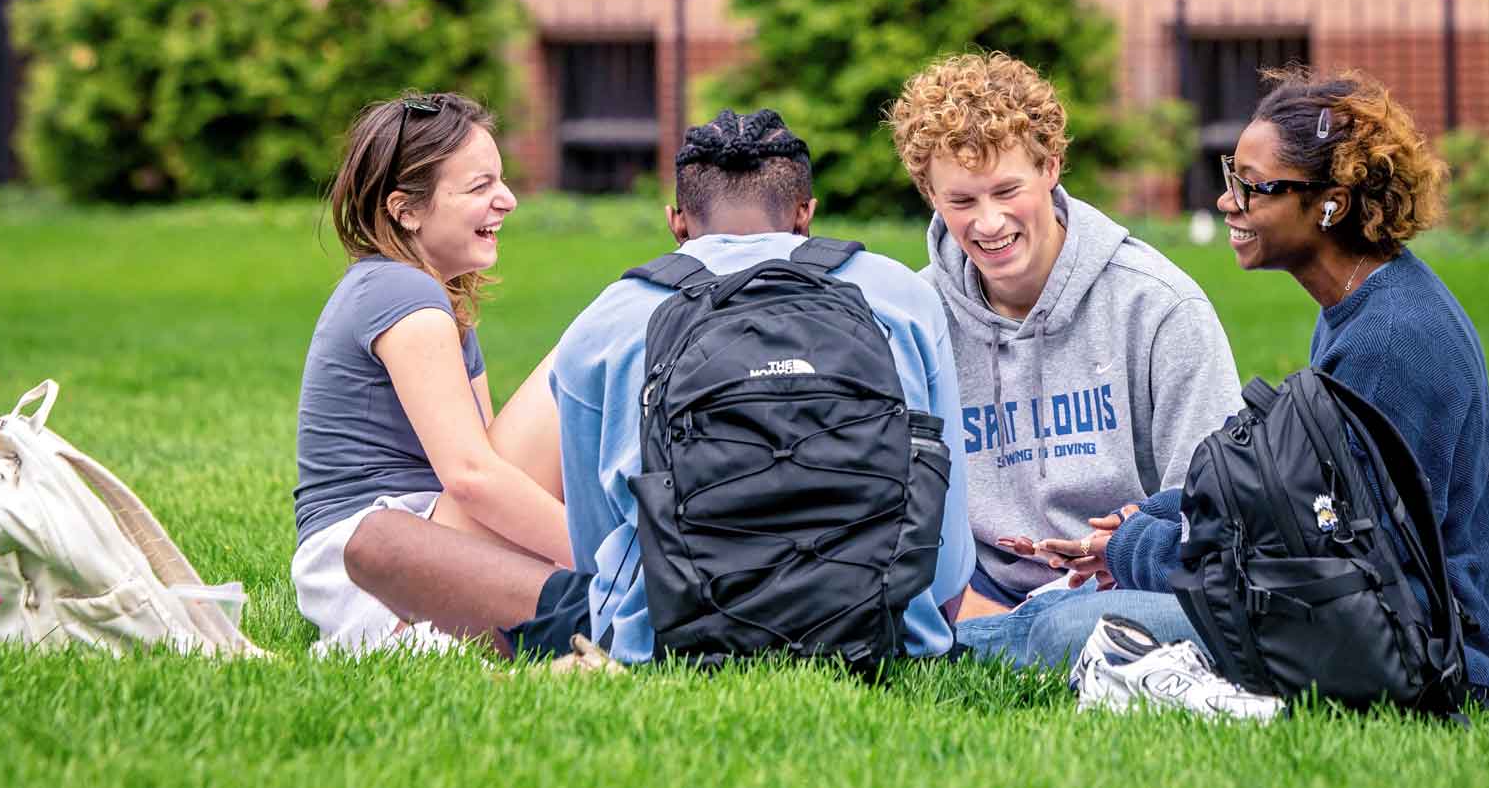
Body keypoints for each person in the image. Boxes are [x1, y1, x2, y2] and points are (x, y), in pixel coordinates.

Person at [342, 108, 975, 663]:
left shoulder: (611, 317)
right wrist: (924, 631)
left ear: (676, 222)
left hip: (672, 640)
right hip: (887, 631)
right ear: (806, 214)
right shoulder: (902, 296)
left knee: (381, 543)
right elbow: (943, 517)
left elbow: (596, 554)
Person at [1022, 69, 1489, 700]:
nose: (1228, 202)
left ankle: (948, 651)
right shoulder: (1362, 305)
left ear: (1330, 202)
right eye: (1233, 177)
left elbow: (1329, 572)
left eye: (1253, 188)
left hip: (1422, 657)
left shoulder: (1392, 339)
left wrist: (1140, 550)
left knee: (1069, 627)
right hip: (1373, 628)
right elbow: (1300, 503)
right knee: (1072, 616)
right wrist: (1152, 516)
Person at [886, 52, 1243, 664]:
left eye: (1007, 190)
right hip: (972, 596)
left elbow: (1217, 503)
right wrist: (955, 596)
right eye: (962, 201)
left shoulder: (1158, 306)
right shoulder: (915, 319)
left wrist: (1131, 539)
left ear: (1051, 168)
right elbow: (891, 505)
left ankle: (1003, 645)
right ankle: (996, 637)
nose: (989, 222)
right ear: (929, 194)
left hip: (1121, 586)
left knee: (1070, 630)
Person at [291, 92, 572, 655]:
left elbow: (500, 467)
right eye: (480, 187)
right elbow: (472, 476)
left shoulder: (434, 298)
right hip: (378, 557)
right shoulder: (400, 290)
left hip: (425, 534)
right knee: (580, 362)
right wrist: (609, 554)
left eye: (502, 181)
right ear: (407, 209)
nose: (509, 200)